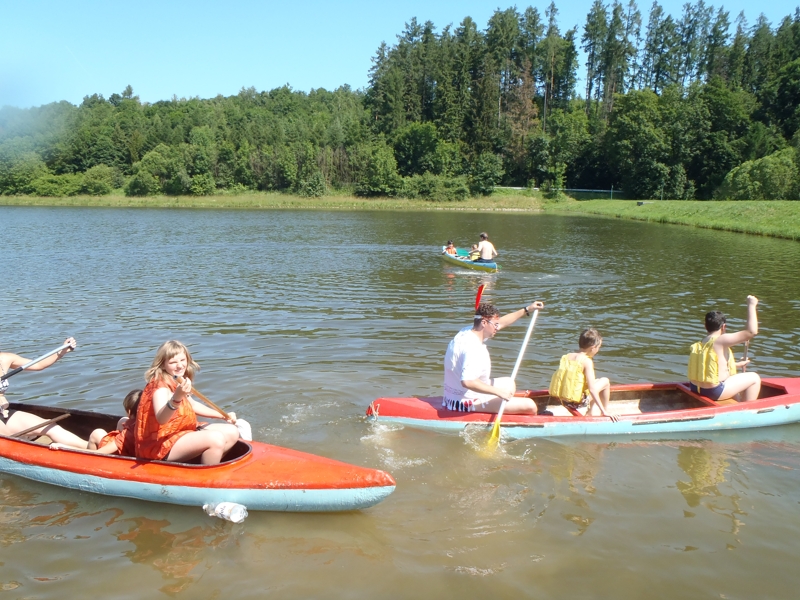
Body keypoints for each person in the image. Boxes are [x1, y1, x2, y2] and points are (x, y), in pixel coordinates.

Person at [135, 341, 240, 465]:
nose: (179, 366)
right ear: (162, 365)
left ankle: (205, 460)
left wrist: (222, 415)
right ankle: (206, 477)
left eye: (182, 360)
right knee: (216, 439)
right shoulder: (160, 388)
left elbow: (193, 405)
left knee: (232, 432)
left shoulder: (176, 380)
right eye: (173, 362)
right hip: (158, 445)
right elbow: (161, 418)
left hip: (178, 431)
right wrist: (177, 397)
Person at [443, 301, 544, 414]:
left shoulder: (466, 332)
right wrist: (497, 392)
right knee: (530, 405)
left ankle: (501, 409)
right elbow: (467, 382)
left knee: (509, 383)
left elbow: (502, 323)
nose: (497, 327)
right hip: (464, 403)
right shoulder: (474, 348)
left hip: (454, 397)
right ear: (484, 323)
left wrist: (527, 309)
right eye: (495, 324)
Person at [0, 337, 90, 446]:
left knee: (50, 427)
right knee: (8, 440)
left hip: (4, 413)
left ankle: (94, 449)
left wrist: (61, 352)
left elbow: (38, 365)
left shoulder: (5, 358)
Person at [688, 295, 761, 402]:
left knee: (733, 384)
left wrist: (736, 365)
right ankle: (748, 410)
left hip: (696, 388)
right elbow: (751, 332)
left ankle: (737, 403)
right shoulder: (720, 340)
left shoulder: (703, 342)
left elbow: (710, 366)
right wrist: (752, 305)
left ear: (705, 326)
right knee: (754, 378)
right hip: (713, 392)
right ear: (724, 327)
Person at [549, 328, 615, 419]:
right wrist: (604, 411)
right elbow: (592, 390)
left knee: (596, 382)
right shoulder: (586, 361)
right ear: (593, 348)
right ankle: (604, 411)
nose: (598, 350)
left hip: (562, 399)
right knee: (605, 381)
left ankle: (590, 412)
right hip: (577, 403)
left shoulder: (567, 356)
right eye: (598, 347)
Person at [51, 389, 141, 455]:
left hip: (123, 450)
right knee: (122, 421)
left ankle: (89, 462)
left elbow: (99, 453)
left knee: (96, 433)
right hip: (132, 448)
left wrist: (65, 447)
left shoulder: (127, 434)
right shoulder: (148, 423)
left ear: (129, 411)